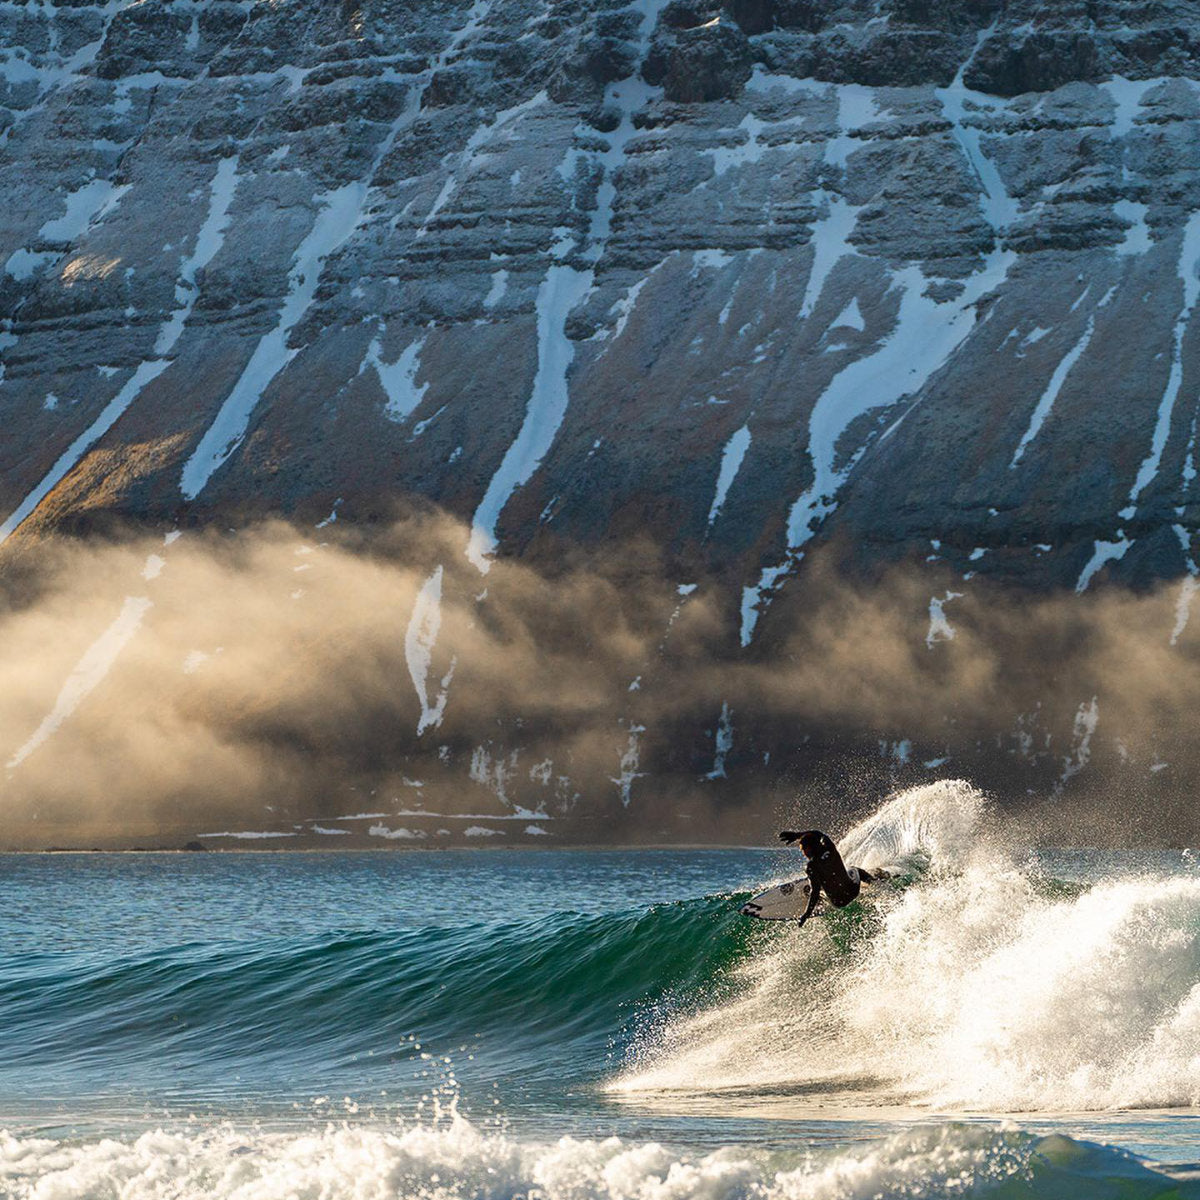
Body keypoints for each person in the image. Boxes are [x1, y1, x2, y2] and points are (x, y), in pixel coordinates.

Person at [779, 829, 878, 927]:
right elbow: (819, 834)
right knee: (854, 870)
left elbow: (815, 892)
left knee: (815, 888)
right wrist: (797, 835)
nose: (804, 853)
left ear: (808, 848)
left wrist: (806, 914)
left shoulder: (812, 866)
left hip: (839, 902)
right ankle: (876, 882)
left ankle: (820, 903)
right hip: (853, 890)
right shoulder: (829, 848)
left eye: (803, 849)